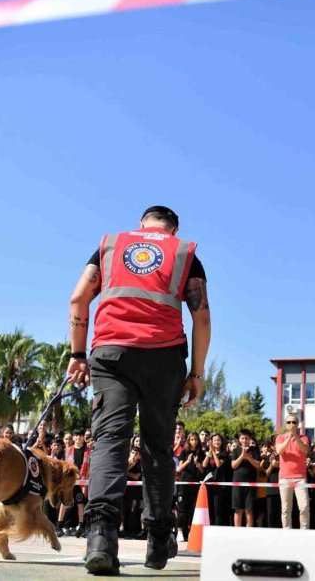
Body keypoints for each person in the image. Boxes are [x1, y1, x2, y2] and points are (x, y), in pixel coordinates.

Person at [66, 205, 211, 574]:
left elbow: (79, 299)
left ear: (141, 225)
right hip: (163, 359)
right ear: (174, 229)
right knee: (157, 448)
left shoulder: (111, 246)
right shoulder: (184, 253)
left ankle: (100, 537)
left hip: (111, 354)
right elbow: (202, 316)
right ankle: (158, 541)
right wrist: (196, 372)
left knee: (110, 442)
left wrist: (78, 354)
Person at [275, 413, 311, 529]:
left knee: (304, 506)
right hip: (285, 478)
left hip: (300, 478)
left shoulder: (304, 438)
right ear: (285, 425)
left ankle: (304, 532)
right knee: (285, 508)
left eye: (294, 422)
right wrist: (289, 438)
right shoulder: (280, 437)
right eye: (289, 422)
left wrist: (295, 437)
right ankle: (287, 532)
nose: (291, 424)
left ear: (298, 424)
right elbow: (279, 451)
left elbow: (305, 450)